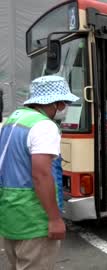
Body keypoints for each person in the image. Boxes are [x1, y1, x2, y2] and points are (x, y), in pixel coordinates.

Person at [0, 75, 79, 270]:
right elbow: (41, 175)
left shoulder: (14, 118)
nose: (64, 108)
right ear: (56, 103)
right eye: (64, 103)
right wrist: (54, 219)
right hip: (34, 218)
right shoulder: (44, 126)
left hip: (10, 214)